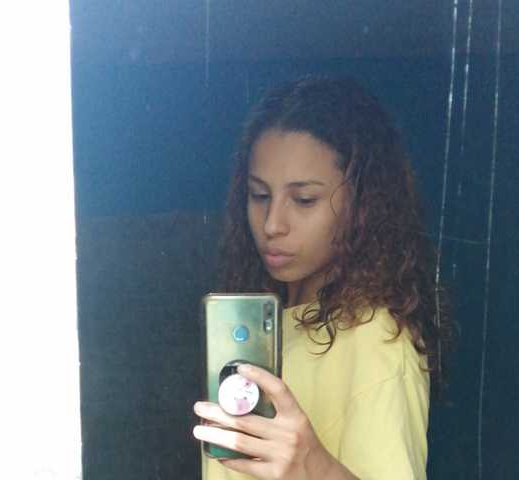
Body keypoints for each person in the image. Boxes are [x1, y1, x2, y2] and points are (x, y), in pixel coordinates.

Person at [192, 75, 452, 479]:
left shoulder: (376, 339)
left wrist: (311, 465)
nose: (272, 224)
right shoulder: (261, 325)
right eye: (259, 195)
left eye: (304, 199)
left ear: (362, 205)